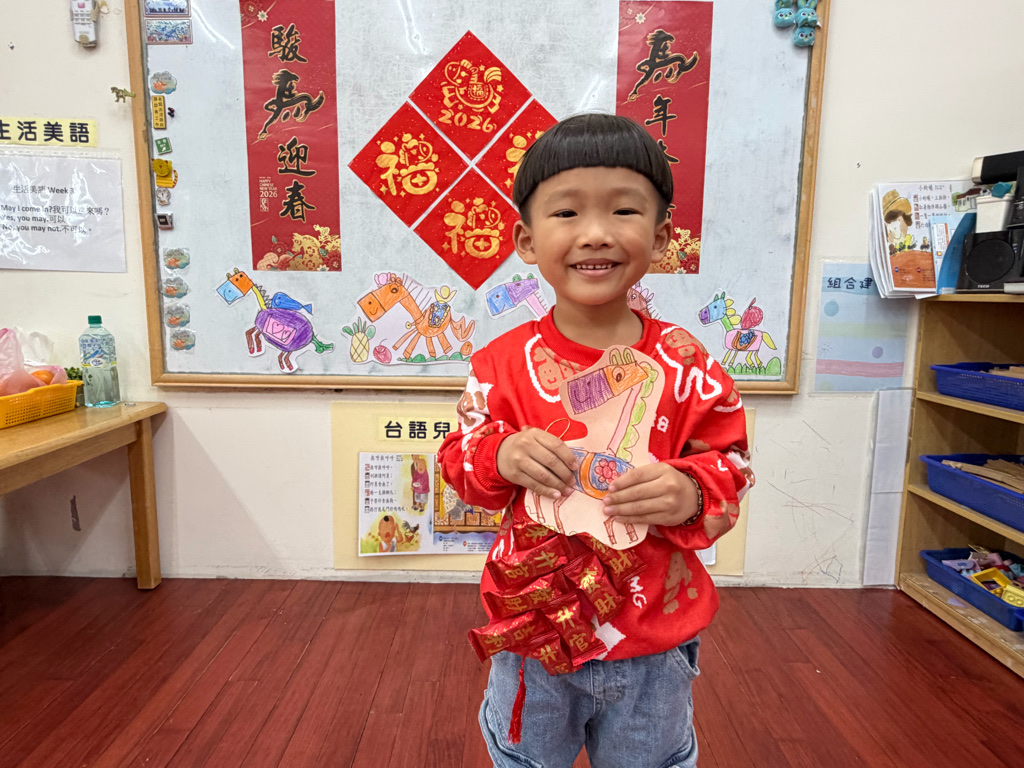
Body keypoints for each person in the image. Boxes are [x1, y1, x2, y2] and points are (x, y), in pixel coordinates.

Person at [436, 113, 753, 768]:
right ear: (527, 240)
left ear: (661, 236)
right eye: (567, 212)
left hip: (653, 640)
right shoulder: (500, 364)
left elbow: (733, 465)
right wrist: (499, 453)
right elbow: (458, 461)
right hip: (534, 631)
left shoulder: (688, 364)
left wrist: (692, 492)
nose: (596, 233)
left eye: (624, 210)